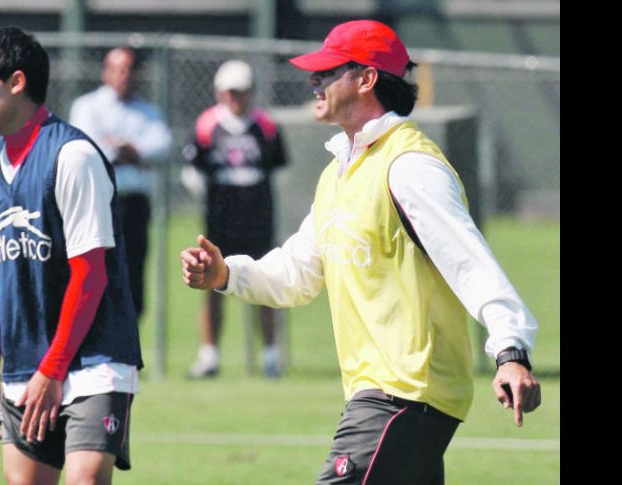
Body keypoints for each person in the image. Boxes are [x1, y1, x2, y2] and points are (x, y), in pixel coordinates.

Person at [180, 20, 541, 485]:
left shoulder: (410, 166)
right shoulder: (339, 173)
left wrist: (511, 350)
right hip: (388, 399)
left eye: (329, 70)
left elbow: (471, 263)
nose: (316, 80)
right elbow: (297, 272)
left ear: (367, 78)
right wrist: (226, 274)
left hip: (404, 395)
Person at [0, 26, 143, 485]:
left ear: (16, 82)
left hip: (94, 362)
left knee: (85, 479)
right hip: (24, 366)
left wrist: (53, 368)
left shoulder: (72, 155)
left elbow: (90, 274)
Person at [182, 59, 288, 379]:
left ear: (251, 92)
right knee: (214, 285)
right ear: (219, 93)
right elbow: (191, 170)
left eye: (241, 92)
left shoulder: (266, 126)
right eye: (230, 92)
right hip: (221, 219)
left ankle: (270, 356)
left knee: (265, 283)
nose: (235, 99)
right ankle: (209, 355)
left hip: (257, 217)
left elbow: (279, 170)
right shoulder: (206, 125)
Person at [69, 47, 172, 320]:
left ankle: (126, 348)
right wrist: (127, 152)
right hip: (97, 204)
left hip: (134, 204)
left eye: (128, 69)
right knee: (95, 273)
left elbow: (161, 146)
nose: (122, 76)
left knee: (132, 273)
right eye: (116, 69)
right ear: (105, 71)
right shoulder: (87, 106)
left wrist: (127, 149)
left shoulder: (148, 112)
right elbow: (89, 148)